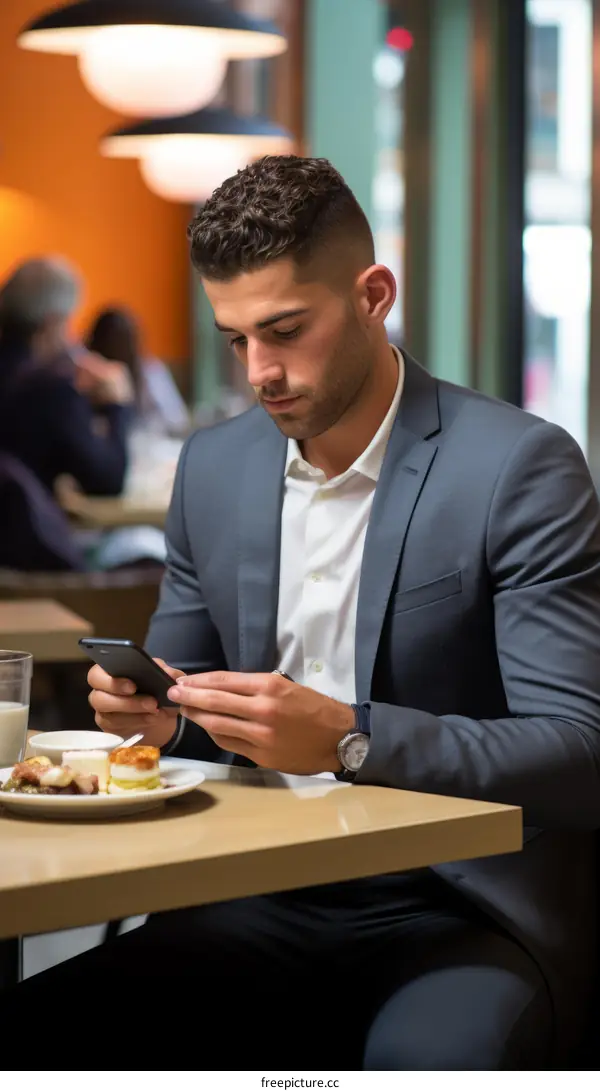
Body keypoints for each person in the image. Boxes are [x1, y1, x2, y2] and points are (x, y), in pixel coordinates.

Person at [7, 158, 600, 1069]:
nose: (261, 372)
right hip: (249, 886)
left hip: (453, 906)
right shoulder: (216, 469)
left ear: (373, 295)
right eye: (236, 339)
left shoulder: (519, 467)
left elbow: (578, 750)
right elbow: (189, 721)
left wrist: (350, 739)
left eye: (285, 330)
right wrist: (159, 719)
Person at [0, 257, 133, 499]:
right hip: (24, 533)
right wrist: (116, 405)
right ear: (52, 323)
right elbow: (107, 481)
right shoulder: (50, 390)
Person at [84, 305, 190, 436]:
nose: (116, 350)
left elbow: (176, 420)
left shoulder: (151, 373)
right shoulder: (86, 373)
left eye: (120, 344)